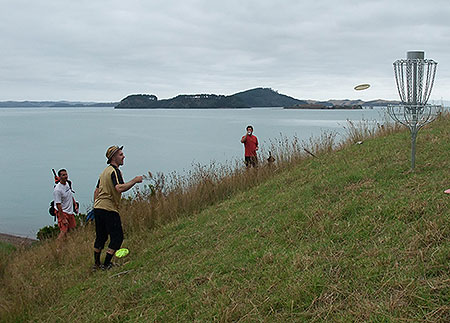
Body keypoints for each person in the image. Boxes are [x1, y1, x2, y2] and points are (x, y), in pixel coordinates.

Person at [92, 145, 143, 270]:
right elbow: (119, 188)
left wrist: (95, 205)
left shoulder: (103, 172)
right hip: (109, 208)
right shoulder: (115, 171)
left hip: (98, 208)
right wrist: (135, 180)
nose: (123, 156)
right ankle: (107, 264)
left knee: (101, 237)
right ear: (113, 157)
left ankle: (97, 264)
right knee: (117, 237)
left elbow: (96, 191)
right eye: (121, 154)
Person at [53, 169, 78, 240]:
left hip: (70, 211)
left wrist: (75, 204)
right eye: (63, 175)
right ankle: (57, 249)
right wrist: (62, 218)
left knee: (71, 230)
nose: (66, 176)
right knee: (63, 231)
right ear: (59, 177)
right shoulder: (57, 190)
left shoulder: (68, 183)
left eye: (66, 174)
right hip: (63, 212)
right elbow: (58, 204)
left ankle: (65, 247)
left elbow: (69, 194)